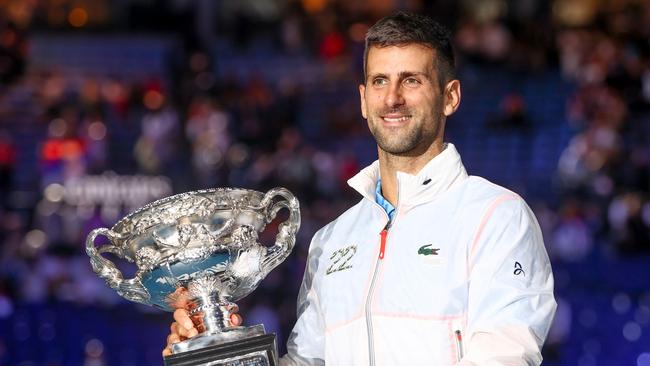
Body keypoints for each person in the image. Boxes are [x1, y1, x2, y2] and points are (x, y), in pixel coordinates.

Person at [163, 12, 556, 365]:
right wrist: (215, 350)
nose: (393, 98)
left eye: (412, 81)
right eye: (379, 81)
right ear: (364, 99)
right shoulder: (332, 240)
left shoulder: (496, 215)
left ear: (450, 97)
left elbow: (503, 356)